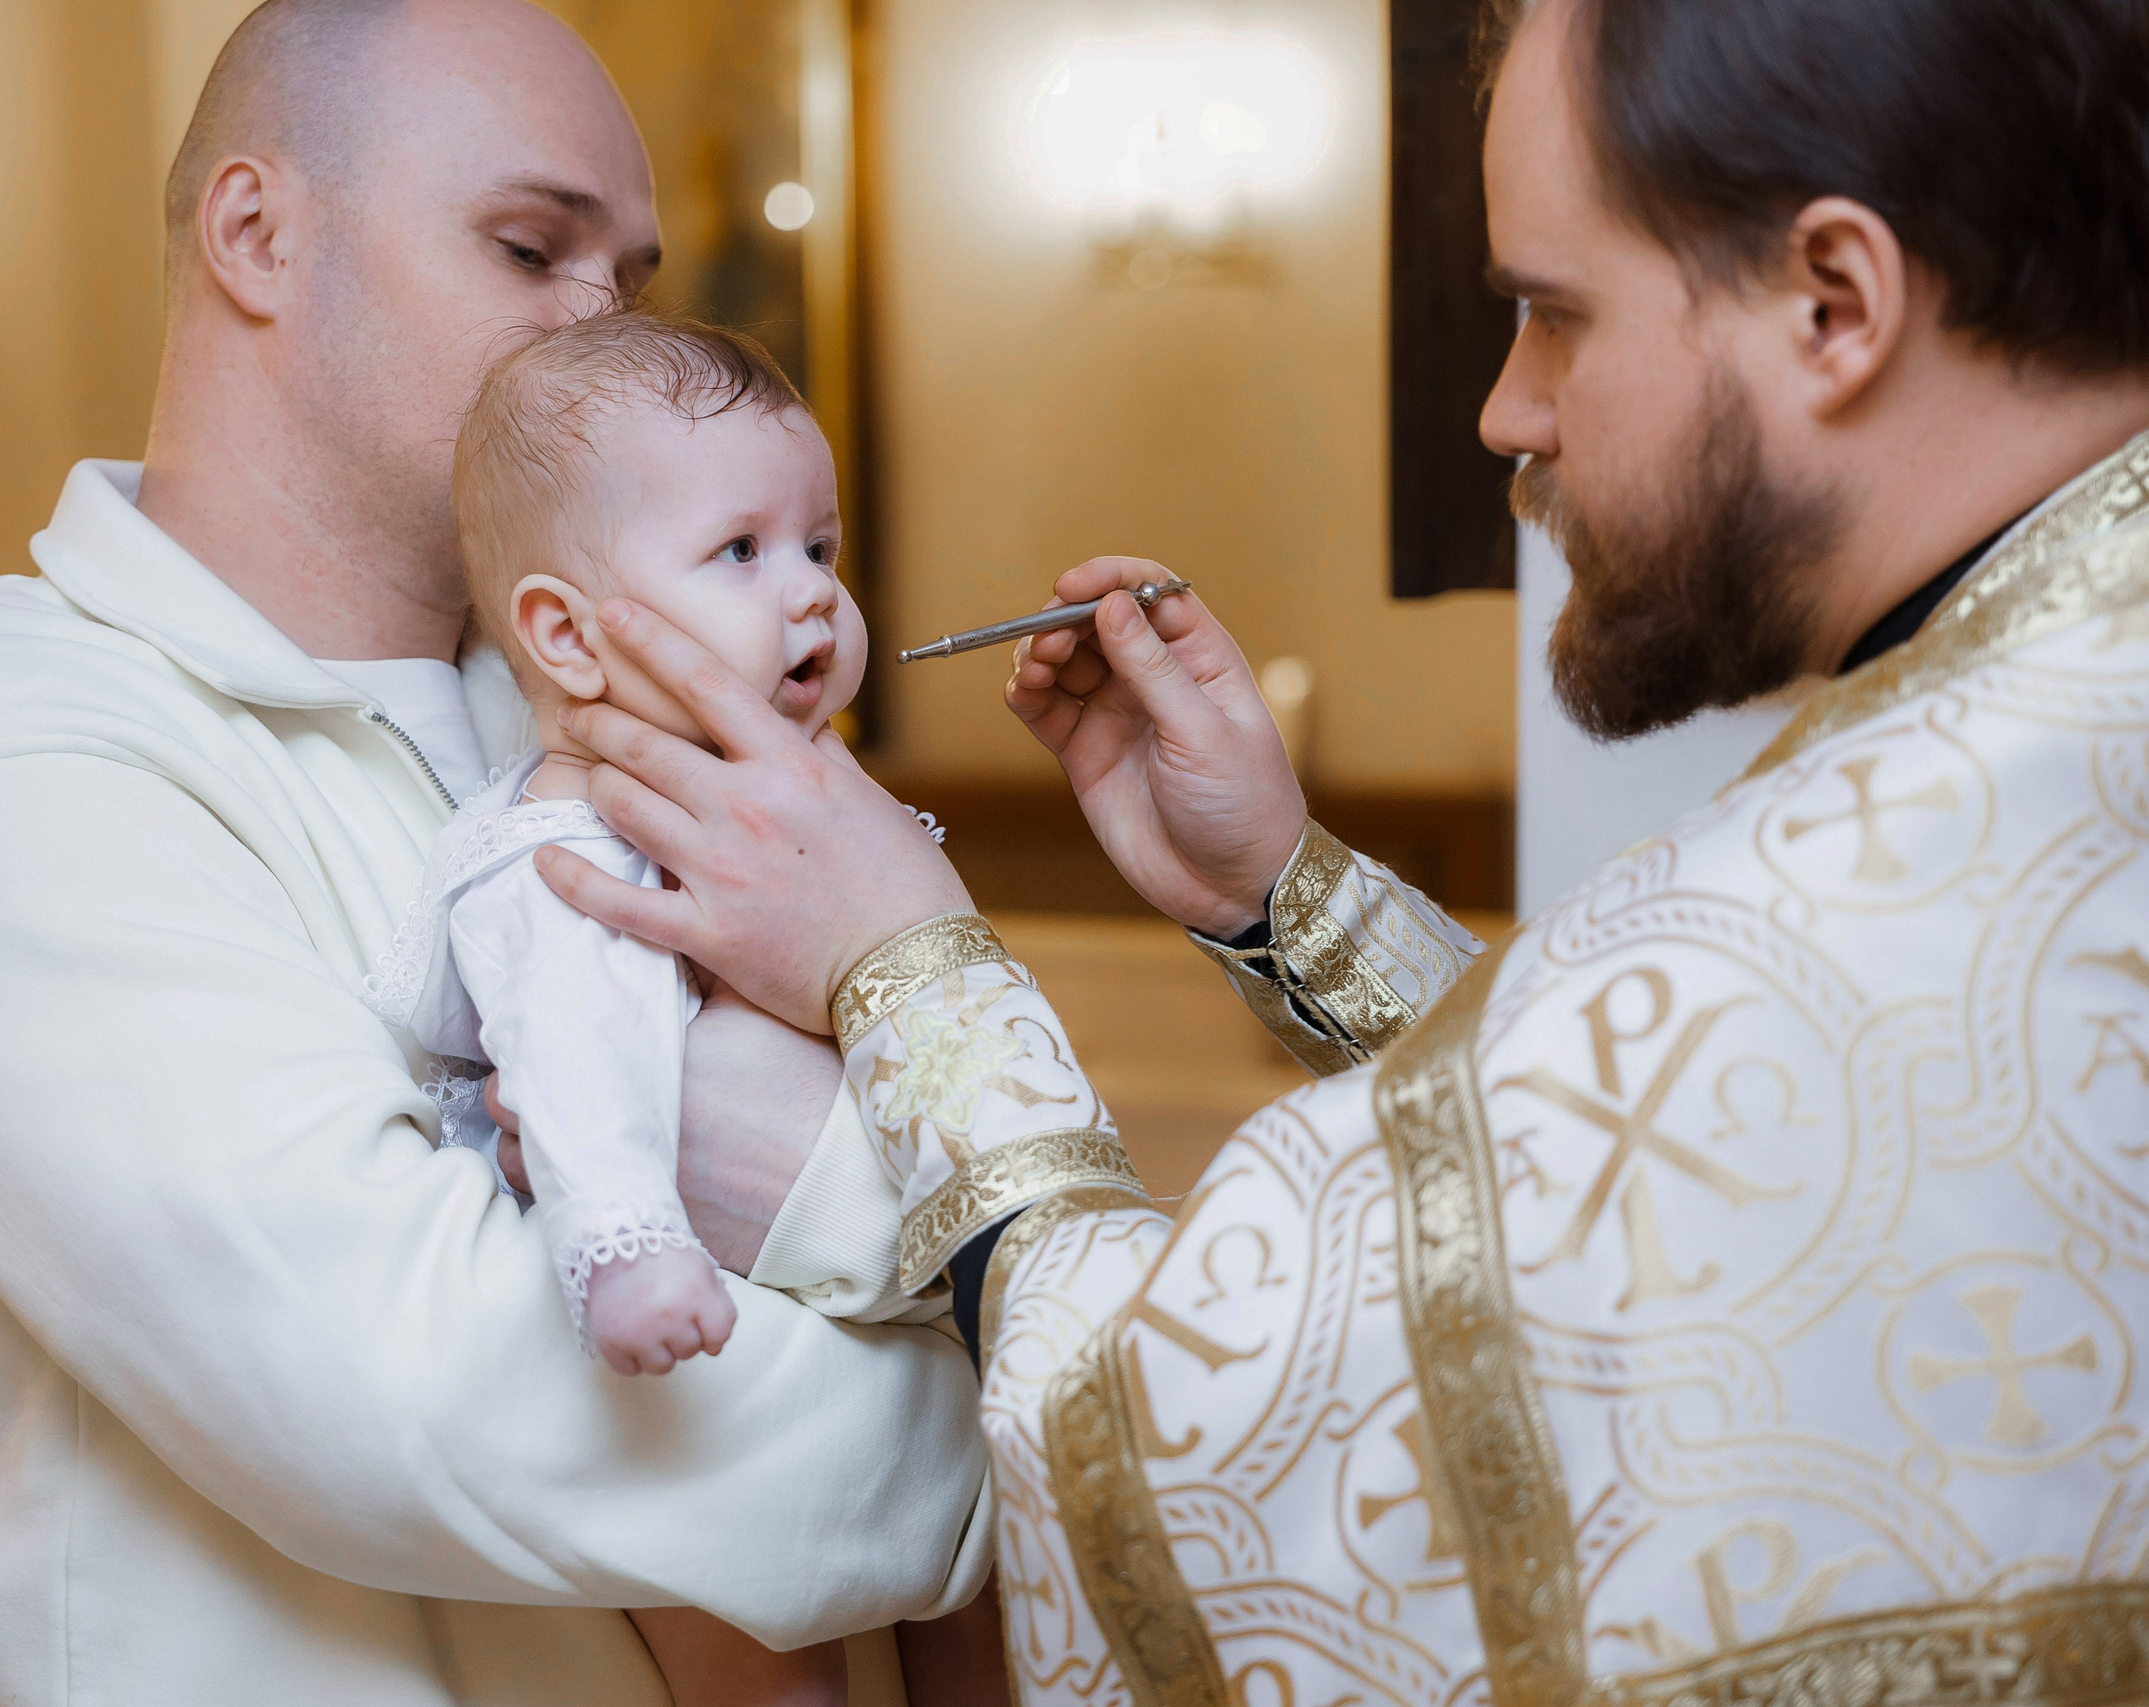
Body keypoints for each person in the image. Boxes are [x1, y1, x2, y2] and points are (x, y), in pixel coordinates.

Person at [525, 0, 2149, 1700]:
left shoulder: (1936, 858)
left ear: (1836, 304)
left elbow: (1232, 1453)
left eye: (1549, 314)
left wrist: (903, 972)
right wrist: (1284, 892)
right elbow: (1653, 1175)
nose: (1506, 413)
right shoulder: (2028, 750)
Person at [0, 4, 991, 1704]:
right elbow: (430, 1400)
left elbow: (882, 1116)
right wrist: (1052, 1425)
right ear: (256, 234)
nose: (598, 335)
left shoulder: (622, 716)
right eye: (528, 249)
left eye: (626, 282)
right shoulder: (0, 764)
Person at [375, 308, 1008, 1706]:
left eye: (822, 548)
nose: (814, 599)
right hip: (675, 1326)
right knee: (764, 1662)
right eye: (742, 552)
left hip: (856, 1289)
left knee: (987, 1599)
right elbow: (575, 1063)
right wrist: (626, 1241)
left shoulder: (786, 799)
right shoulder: (564, 854)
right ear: (567, 639)